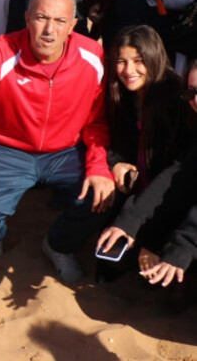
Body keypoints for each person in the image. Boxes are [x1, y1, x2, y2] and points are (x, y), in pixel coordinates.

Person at [0, 0, 114, 282]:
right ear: (26, 19)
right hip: (6, 148)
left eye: (60, 21)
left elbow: (96, 122)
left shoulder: (93, 55)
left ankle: (58, 245)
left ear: (73, 26)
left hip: (65, 150)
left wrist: (99, 166)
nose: (49, 30)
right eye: (41, 18)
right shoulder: (2, 50)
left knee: (100, 196)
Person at [94, 27, 195, 281]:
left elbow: (177, 182)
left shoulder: (177, 101)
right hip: (137, 191)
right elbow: (111, 142)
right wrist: (116, 164)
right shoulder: (120, 96)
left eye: (138, 61)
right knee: (110, 262)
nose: (129, 70)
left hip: (166, 204)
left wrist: (152, 239)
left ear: (154, 58)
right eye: (121, 61)